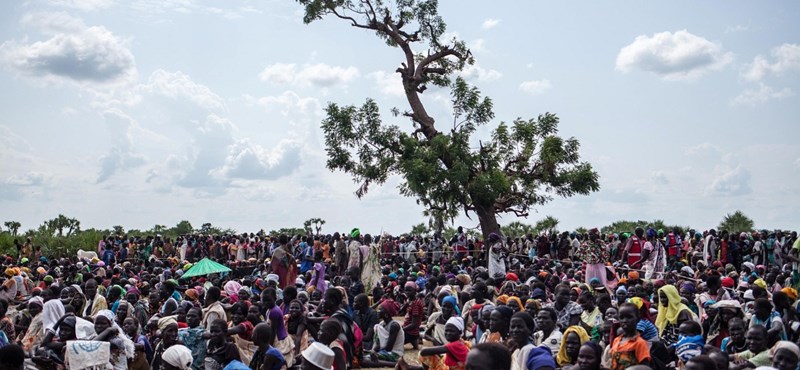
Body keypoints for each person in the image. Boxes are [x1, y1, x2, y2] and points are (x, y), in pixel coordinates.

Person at [398, 316, 470, 370]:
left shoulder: (455, 344)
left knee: (423, 354)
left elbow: (423, 351)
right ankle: (408, 367)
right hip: (451, 367)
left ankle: (408, 367)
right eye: (447, 330)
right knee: (436, 359)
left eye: (452, 331)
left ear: (460, 332)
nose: (448, 333)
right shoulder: (462, 342)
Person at [362, 300, 404, 368]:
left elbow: (389, 348)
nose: (378, 311)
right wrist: (371, 351)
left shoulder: (394, 326)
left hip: (394, 354)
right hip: (384, 351)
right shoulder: (381, 324)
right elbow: (378, 344)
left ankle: (396, 364)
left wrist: (374, 353)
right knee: (363, 356)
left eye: (380, 309)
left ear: (386, 313)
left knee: (365, 360)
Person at [609, 303, 650, 370]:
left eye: (629, 317)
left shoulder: (640, 343)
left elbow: (645, 367)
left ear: (638, 319)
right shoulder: (617, 340)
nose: (625, 321)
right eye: (621, 317)